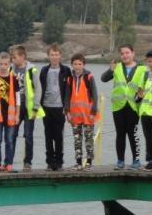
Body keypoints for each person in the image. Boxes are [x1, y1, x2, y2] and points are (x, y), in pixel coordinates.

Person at [101, 44, 147, 170]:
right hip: (118, 106)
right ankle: (120, 160)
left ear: (133, 53)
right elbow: (103, 79)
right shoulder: (116, 67)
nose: (125, 56)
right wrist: (110, 69)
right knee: (120, 134)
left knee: (133, 134)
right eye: (122, 54)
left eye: (127, 53)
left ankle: (136, 160)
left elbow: (149, 84)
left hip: (133, 106)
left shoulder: (142, 69)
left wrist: (142, 95)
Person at [10, 44, 44, 171]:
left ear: (22, 57)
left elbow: (38, 89)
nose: (12, 60)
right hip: (15, 109)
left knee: (28, 135)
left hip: (29, 109)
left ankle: (27, 162)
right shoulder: (10, 70)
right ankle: (9, 161)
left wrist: (36, 107)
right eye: (12, 58)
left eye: (14, 57)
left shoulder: (32, 70)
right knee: (12, 135)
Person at [39, 43, 71, 171]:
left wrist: (67, 107)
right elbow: (40, 88)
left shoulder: (66, 70)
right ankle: (49, 162)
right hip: (46, 107)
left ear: (60, 56)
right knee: (48, 135)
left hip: (60, 108)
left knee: (58, 136)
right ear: (48, 56)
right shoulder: (44, 70)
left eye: (56, 55)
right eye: (52, 55)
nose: (54, 57)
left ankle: (59, 162)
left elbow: (69, 90)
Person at [64, 53, 99, 170]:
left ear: (83, 65)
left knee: (89, 139)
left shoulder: (89, 77)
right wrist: (67, 111)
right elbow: (67, 96)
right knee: (77, 139)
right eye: (75, 64)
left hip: (88, 114)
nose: (77, 66)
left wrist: (94, 111)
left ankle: (89, 162)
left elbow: (94, 94)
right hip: (74, 114)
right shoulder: (69, 79)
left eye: (80, 64)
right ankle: (78, 162)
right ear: (72, 65)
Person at [0, 52, 19, 172]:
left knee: (10, 140)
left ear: (9, 64)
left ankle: (9, 164)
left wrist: (17, 114)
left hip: (10, 116)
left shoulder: (14, 78)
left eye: (5, 64)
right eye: (1, 64)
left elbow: (18, 98)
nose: (3, 66)